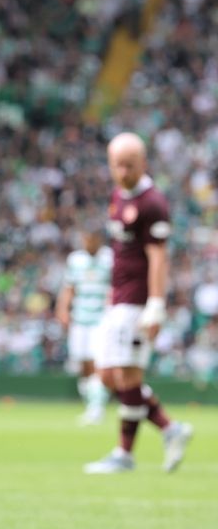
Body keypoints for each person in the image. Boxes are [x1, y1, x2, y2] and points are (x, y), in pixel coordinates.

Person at [84, 132, 193, 474]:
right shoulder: (118, 195)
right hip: (117, 299)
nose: (123, 171)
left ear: (143, 163)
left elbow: (158, 258)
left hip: (136, 302)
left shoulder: (152, 203)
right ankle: (169, 428)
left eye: (130, 165)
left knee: (127, 376)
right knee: (105, 375)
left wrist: (156, 305)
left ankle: (124, 453)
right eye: (117, 165)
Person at [55, 229, 112, 425]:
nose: (87, 243)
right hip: (80, 318)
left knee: (97, 362)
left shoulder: (109, 259)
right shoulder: (75, 260)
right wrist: (63, 309)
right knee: (82, 362)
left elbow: (116, 287)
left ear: (98, 239)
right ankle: (91, 402)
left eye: (90, 239)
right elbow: (69, 287)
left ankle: (97, 407)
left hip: (101, 320)